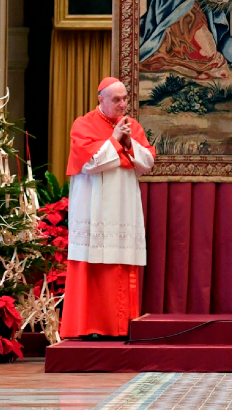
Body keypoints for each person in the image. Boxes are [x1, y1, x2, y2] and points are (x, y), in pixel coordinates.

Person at [59, 77, 156, 340]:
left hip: (124, 208)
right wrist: (114, 140)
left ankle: (121, 326)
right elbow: (89, 163)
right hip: (94, 208)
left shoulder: (132, 126)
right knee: (93, 265)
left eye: (125, 99)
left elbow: (147, 162)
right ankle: (91, 327)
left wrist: (127, 143)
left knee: (121, 264)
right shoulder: (83, 124)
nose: (123, 104)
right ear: (100, 99)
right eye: (116, 100)